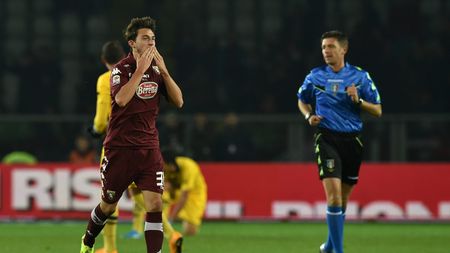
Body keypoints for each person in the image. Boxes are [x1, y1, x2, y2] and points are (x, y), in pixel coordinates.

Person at [79, 16, 183, 253]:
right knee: (108, 205)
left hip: (149, 148)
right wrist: (140, 71)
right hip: (120, 149)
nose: (151, 43)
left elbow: (178, 101)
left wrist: (165, 73)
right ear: (132, 43)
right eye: (145, 38)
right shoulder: (120, 70)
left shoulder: (157, 71)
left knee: (154, 204)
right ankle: (87, 241)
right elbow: (122, 99)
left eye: (153, 39)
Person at [297, 30, 382, 253]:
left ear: (343, 49)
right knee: (333, 195)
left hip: (352, 141)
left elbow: (378, 110)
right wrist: (308, 116)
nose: (326, 51)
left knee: (342, 199)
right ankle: (338, 251)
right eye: (324, 47)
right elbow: (301, 100)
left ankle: (329, 246)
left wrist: (359, 100)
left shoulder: (360, 77)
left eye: (331, 47)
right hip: (326, 138)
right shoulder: (315, 76)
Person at [87, 40, 125, 253]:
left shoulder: (105, 80)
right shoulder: (140, 74)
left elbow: (101, 120)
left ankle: (110, 248)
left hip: (117, 142)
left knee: (110, 196)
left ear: (103, 60)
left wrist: (95, 129)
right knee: (147, 197)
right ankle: (171, 232)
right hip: (145, 141)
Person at [162, 148, 207, 236]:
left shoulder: (189, 167)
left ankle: (168, 225)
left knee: (190, 231)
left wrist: (172, 219)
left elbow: (184, 196)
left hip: (194, 194)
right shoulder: (165, 169)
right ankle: (159, 223)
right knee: (162, 193)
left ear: (169, 164)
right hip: (177, 190)